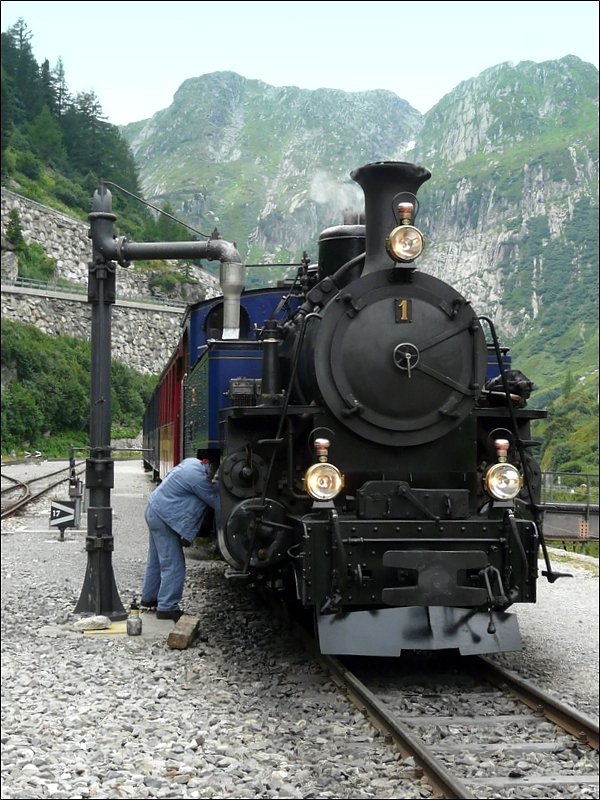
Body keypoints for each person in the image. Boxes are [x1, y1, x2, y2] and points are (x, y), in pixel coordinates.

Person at [140, 457, 220, 621]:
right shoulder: (199, 480)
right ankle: (167, 607)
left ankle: (149, 597)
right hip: (163, 518)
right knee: (173, 563)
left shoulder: (192, 463)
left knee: (156, 560)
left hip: (154, 510)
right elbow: (217, 502)